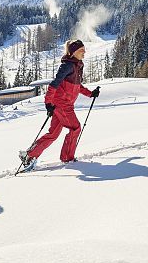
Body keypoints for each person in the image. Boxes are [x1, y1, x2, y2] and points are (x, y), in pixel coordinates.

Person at [19, 40, 100, 171]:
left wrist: (90, 94)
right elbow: (54, 84)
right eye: (81, 50)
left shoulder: (77, 66)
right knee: (75, 128)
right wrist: (48, 103)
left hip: (63, 104)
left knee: (53, 134)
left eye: (84, 50)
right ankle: (67, 158)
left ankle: (29, 156)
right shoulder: (67, 66)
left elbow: (77, 87)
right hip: (62, 104)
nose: (84, 52)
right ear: (73, 52)